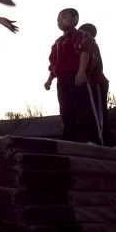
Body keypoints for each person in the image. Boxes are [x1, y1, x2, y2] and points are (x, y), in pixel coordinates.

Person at [44, 8, 100, 144]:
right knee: (66, 112)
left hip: (76, 77)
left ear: (75, 19)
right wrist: (49, 80)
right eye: (58, 19)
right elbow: (55, 64)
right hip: (62, 81)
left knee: (83, 109)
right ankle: (71, 143)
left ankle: (93, 142)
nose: (60, 21)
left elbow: (84, 51)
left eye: (63, 17)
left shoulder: (80, 35)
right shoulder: (57, 43)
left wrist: (81, 71)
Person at [78, 23, 115, 147]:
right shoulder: (89, 43)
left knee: (99, 114)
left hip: (97, 82)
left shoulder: (90, 43)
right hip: (93, 83)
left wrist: (84, 73)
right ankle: (101, 141)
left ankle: (107, 144)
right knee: (94, 113)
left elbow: (93, 62)